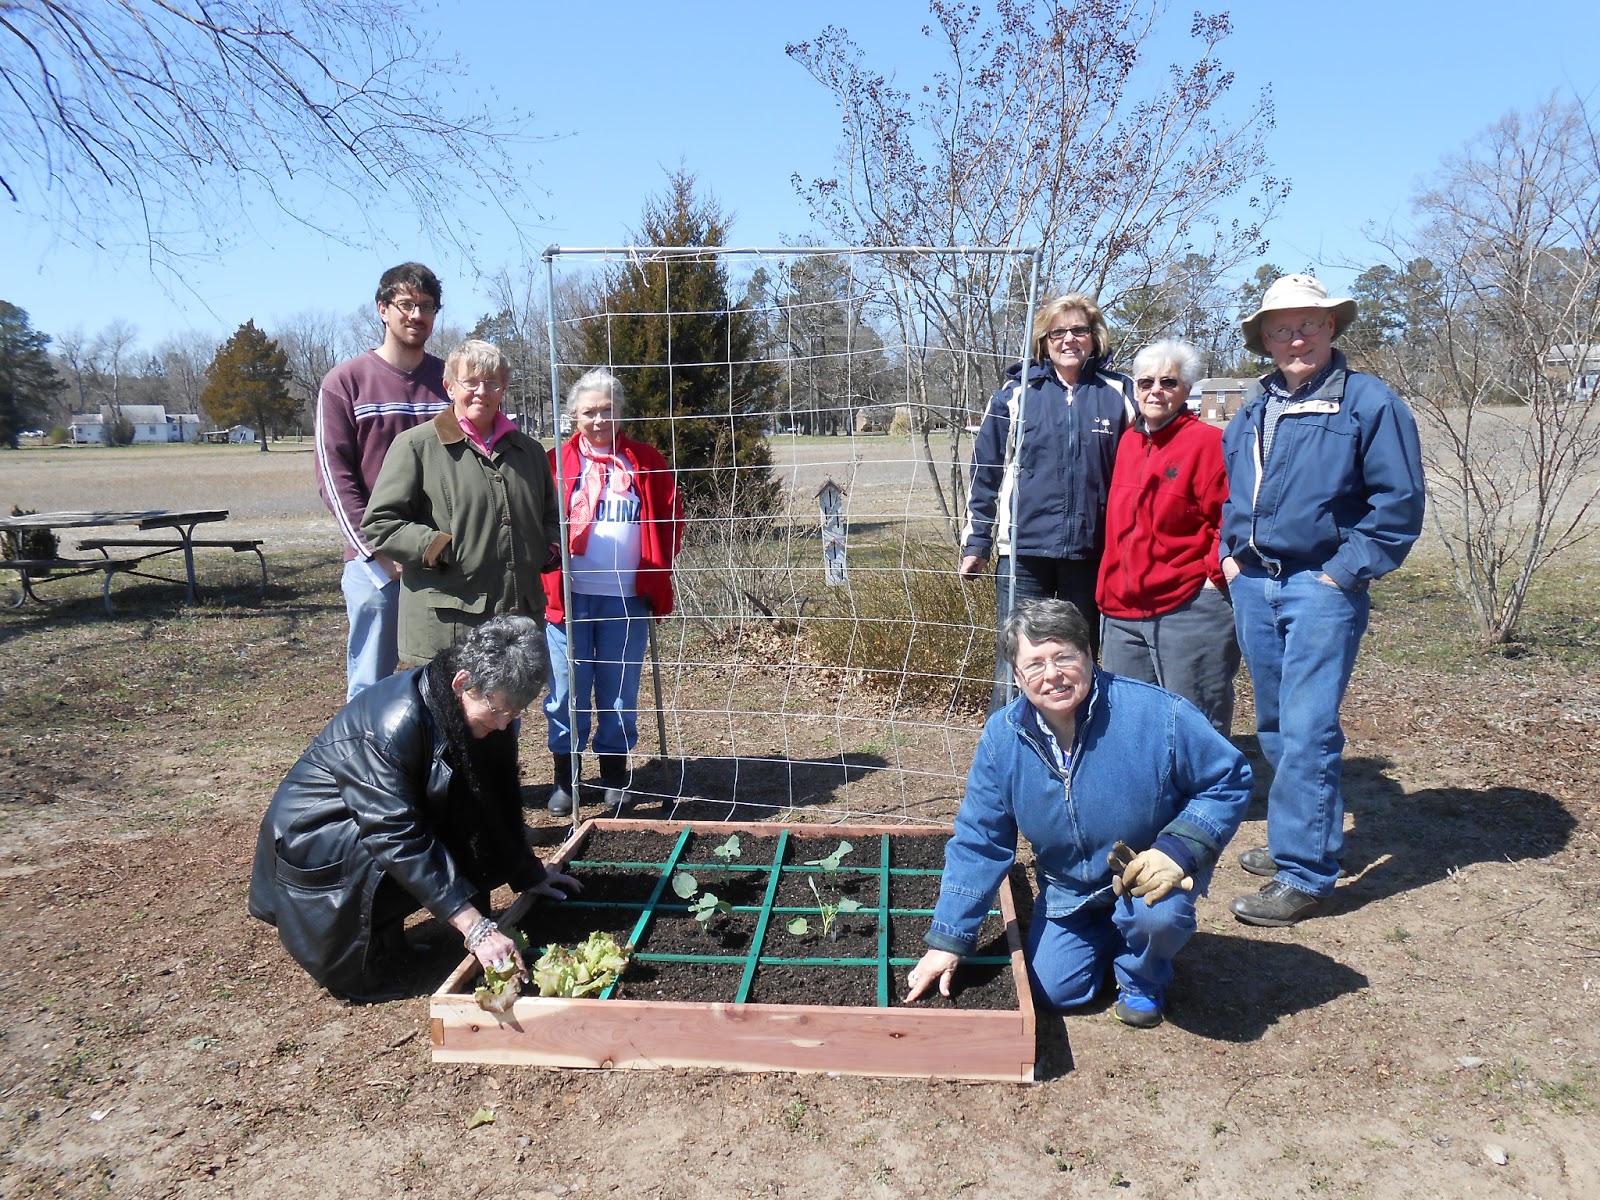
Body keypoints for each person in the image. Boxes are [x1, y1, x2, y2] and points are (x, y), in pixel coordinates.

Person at [904, 598, 1251, 1028]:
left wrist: (1177, 850)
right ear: (1016, 676)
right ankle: (1113, 932)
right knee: (1053, 990)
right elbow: (981, 838)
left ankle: (1142, 977)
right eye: (1034, 664)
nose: (1051, 675)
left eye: (1064, 657)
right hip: (1070, 890)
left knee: (1158, 915)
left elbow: (1228, 778)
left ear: (1089, 655)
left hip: (1147, 876)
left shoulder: (1158, 715)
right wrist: (950, 937)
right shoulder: (1003, 737)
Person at [1222, 274, 1425, 927]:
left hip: (1318, 587)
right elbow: (1235, 494)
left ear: (1331, 328)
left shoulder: (1368, 403)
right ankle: (1300, 843)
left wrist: (1342, 572)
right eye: (1282, 328)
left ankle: (1307, 876)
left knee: (1308, 730)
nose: (1296, 337)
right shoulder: (1253, 406)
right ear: (1267, 340)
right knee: (1278, 728)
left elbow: (1397, 505)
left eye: (1308, 323)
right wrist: (1232, 558)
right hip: (1256, 584)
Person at [248, 615, 580, 1001]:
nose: (505, 724)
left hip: (366, 832)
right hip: (320, 850)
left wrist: (527, 873)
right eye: (498, 710)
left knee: (467, 809)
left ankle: (388, 930)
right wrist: (476, 927)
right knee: (416, 835)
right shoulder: (394, 724)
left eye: (515, 713)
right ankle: (360, 946)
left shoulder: (471, 712)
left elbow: (497, 796)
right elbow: (394, 835)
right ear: (463, 683)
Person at [959, 292, 1134, 710]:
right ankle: (1009, 749)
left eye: (1079, 330)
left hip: (1093, 552)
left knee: (1077, 655)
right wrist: (976, 543)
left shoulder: (1118, 393)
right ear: (1044, 340)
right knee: (1019, 658)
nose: (1069, 339)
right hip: (1024, 553)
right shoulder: (1015, 395)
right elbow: (986, 473)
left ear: (1094, 338)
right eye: (1059, 332)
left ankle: (1079, 743)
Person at [361, 339, 561, 667]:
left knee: (504, 718)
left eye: (492, 382)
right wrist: (439, 548)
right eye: (471, 382)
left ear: (503, 388)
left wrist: (546, 549)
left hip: (516, 622)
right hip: (448, 628)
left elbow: (551, 517)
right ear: (450, 387)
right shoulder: (417, 446)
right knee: (447, 717)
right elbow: (381, 522)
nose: (482, 391)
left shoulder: (530, 452)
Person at [542, 369, 683, 816]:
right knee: (568, 690)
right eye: (589, 412)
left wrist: (655, 571)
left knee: (618, 689)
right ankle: (568, 777)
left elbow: (671, 519)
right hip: (570, 597)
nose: (599, 420)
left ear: (620, 413)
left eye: (607, 411)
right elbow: (539, 525)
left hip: (626, 597)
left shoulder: (645, 460)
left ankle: (615, 773)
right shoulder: (554, 463)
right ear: (573, 416)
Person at [314, 263, 450, 701]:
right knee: (370, 688)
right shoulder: (345, 383)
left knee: (449, 685)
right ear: (382, 309)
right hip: (378, 566)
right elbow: (335, 478)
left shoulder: (451, 384)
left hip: (444, 558)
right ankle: (367, 770)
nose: (416, 315)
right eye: (406, 304)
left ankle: (441, 770)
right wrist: (377, 554)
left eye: (426, 306)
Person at [1096, 338, 1239, 736]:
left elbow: (1231, 518)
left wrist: (1212, 577)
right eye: (1145, 382)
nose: (1155, 390)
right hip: (1121, 611)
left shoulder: (1209, 444)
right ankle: (1147, 799)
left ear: (1187, 390)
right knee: (1129, 725)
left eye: (1168, 382)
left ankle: (1204, 798)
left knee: (1194, 724)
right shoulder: (1126, 441)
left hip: (1186, 607)